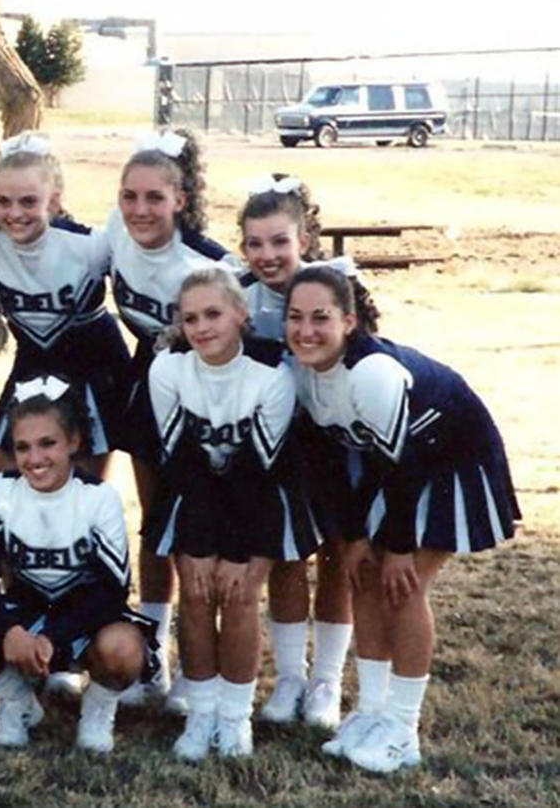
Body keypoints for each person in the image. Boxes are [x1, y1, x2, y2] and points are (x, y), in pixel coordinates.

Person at [286, 265, 518, 773]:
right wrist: (351, 538)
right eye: (295, 317)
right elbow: (331, 463)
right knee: (362, 579)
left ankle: (403, 731)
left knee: (403, 587)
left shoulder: (372, 371)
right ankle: (370, 713)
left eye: (320, 317)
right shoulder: (302, 373)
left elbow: (405, 466)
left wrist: (397, 548)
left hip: (451, 461)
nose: (306, 330)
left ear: (349, 321)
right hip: (393, 469)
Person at [144, 268, 320, 760]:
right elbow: (182, 461)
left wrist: (242, 554)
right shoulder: (167, 369)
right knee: (196, 593)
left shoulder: (272, 375)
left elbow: (256, 469)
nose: (202, 327)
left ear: (241, 314)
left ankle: (235, 717)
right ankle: (201, 713)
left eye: (214, 314)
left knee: (240, 594)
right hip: (193, 489)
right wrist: (198, 548)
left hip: (260, 492)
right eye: (191, 318)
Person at [0, 377, 156, 753]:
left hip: (83, 618)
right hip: (25, 612)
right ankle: (16, 701)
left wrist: (51, 638)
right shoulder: (2, 490)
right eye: (22, 447)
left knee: (123, 648)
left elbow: (112, 591)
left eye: (48, 444)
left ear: (73, 442)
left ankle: (99, 708)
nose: (34, 459)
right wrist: (11, 632)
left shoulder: (97, 497)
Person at [101, 131, 239, 710]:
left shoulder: (210, 264)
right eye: (129, 196)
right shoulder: (114, 232)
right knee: (157, 526)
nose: (139, 209)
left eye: (154, 197)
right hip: (146, 385)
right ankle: (151, 656)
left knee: (201, 529)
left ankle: (198, 670)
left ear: (181, 199)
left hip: (204, 394)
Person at [237, 174, 367, 729]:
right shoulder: (238, 297)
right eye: (256, 243)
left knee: (338, 556)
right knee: (287, 555)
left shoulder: (338, 287)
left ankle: (326, 682)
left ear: (306, 239)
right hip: (279, 441)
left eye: (280, 242)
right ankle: (290, 676)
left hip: (337, 438)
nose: (268, 255)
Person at [0, 132, 129, 480]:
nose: (14, 213)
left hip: (92, 371)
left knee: (81, 490)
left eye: (29, 202)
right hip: (32, 364)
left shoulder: (89, 246)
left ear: (54, 201)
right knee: (10, 479)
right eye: (4, 201)